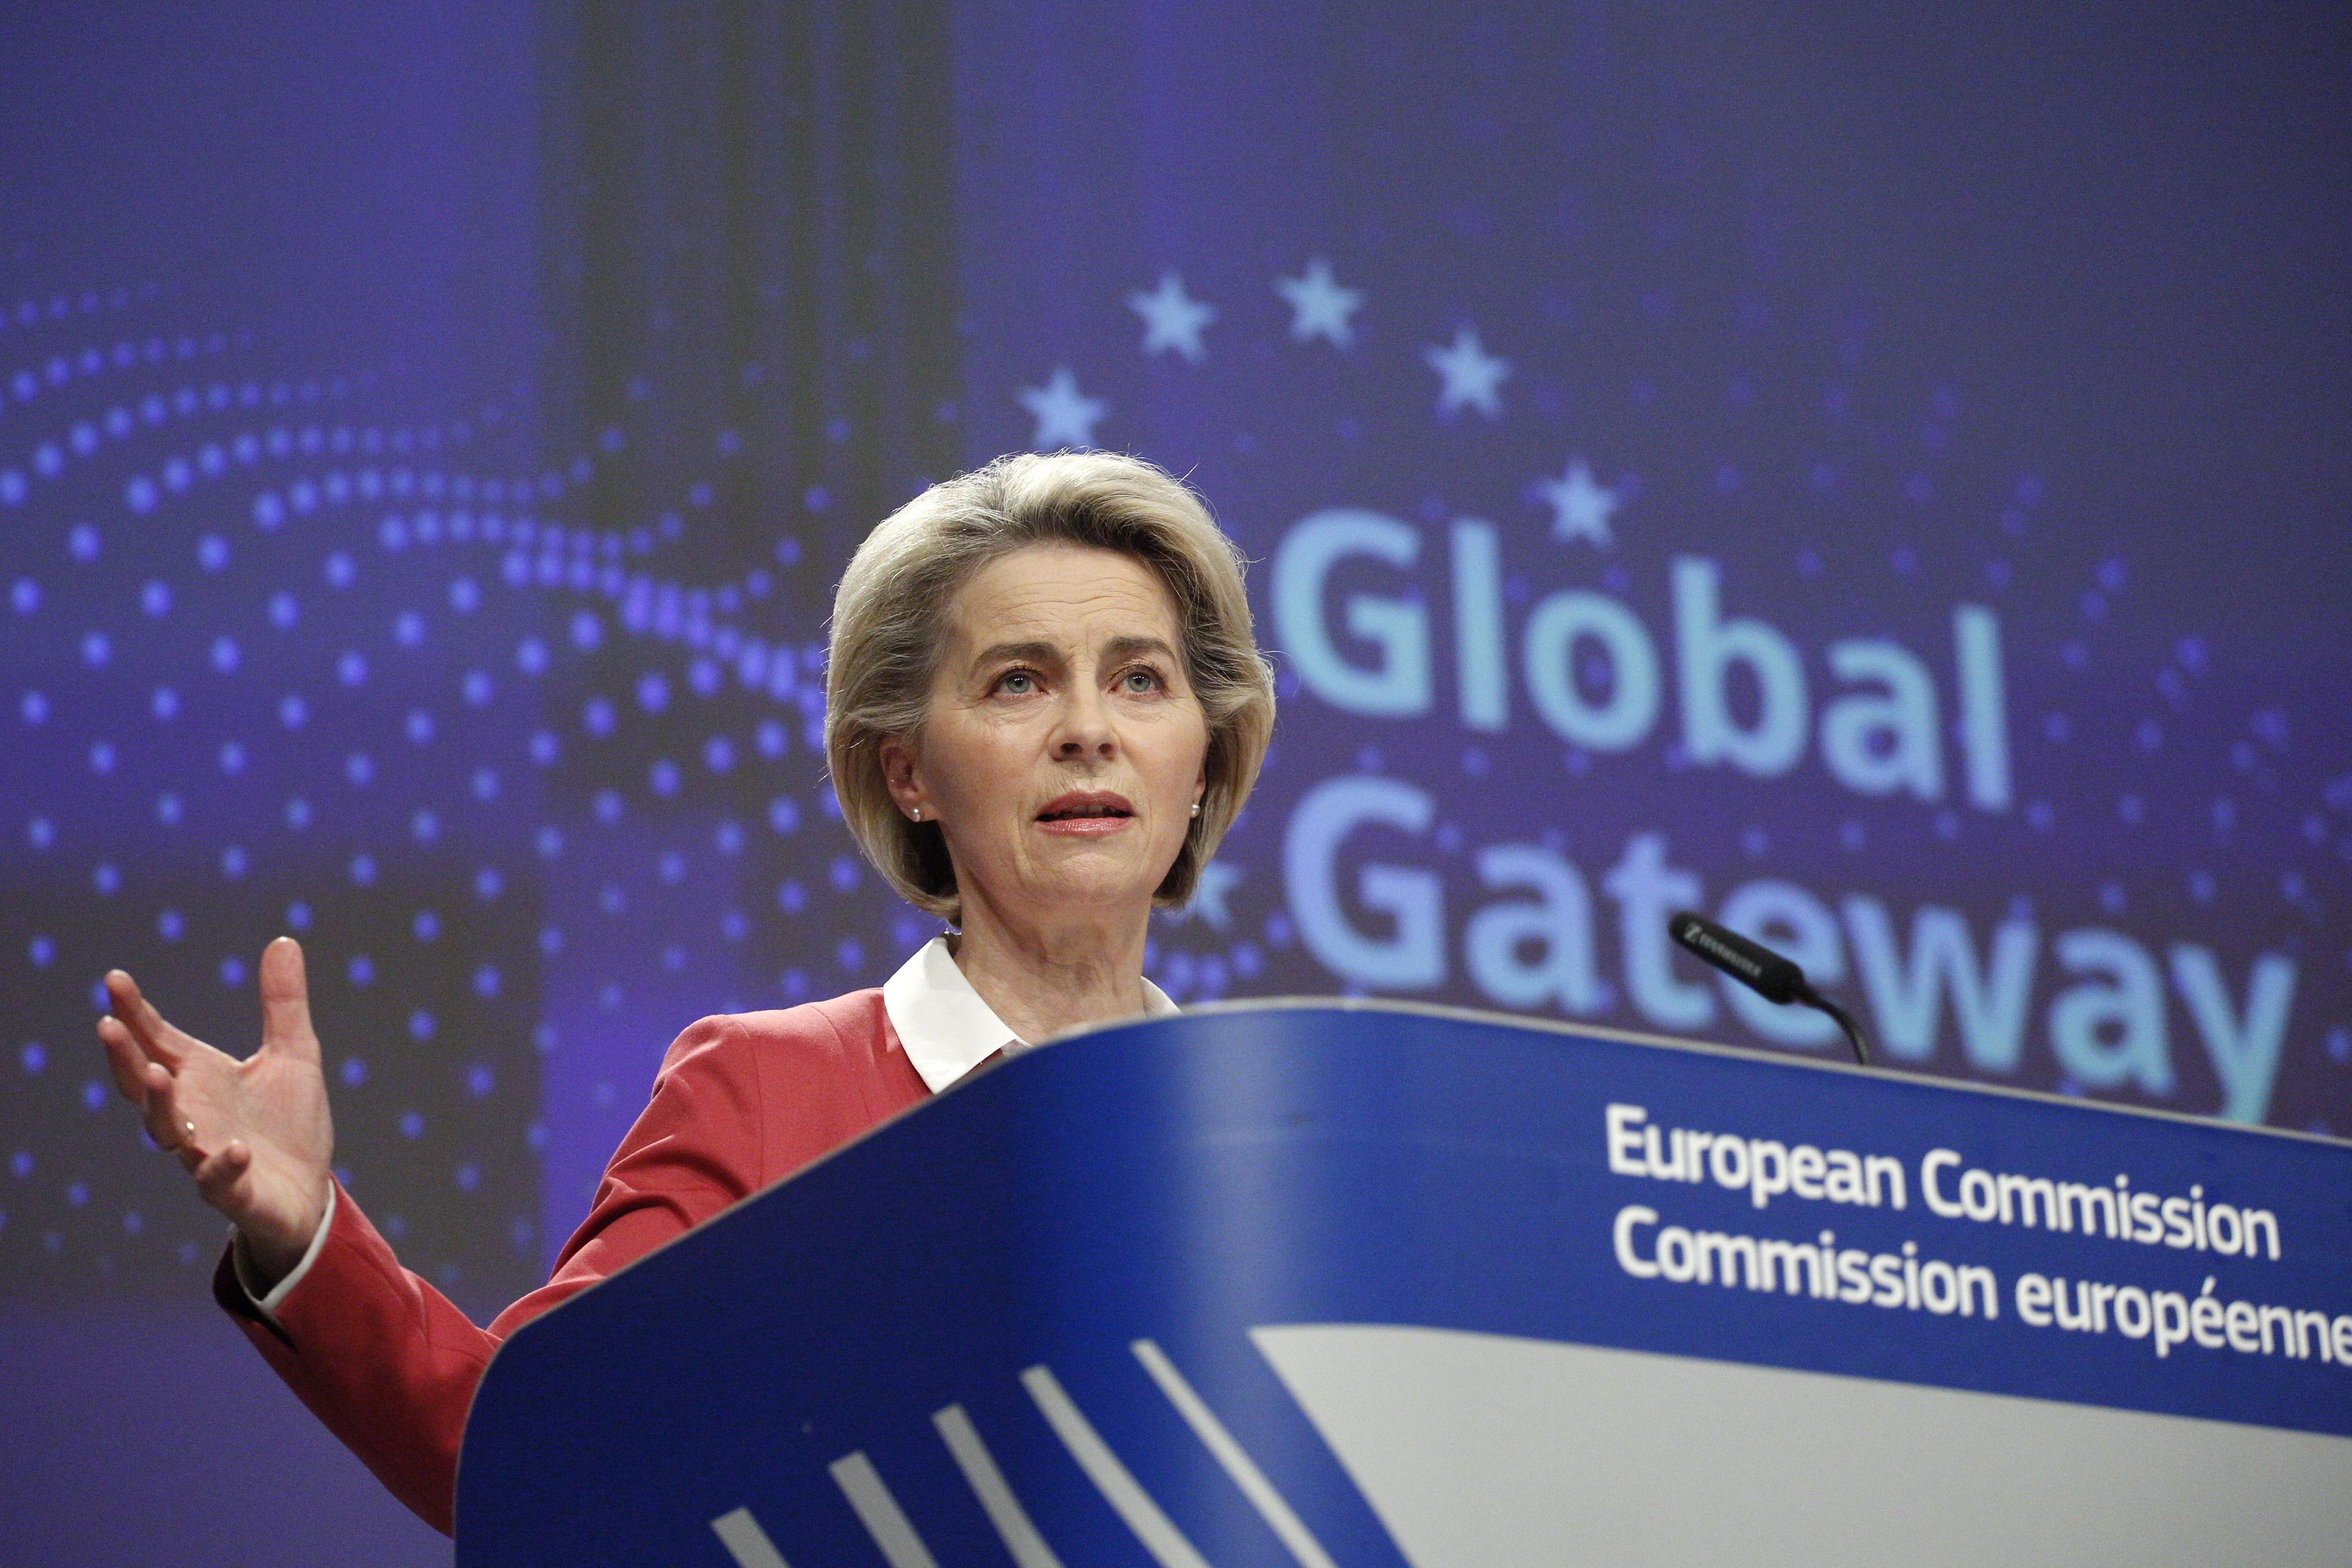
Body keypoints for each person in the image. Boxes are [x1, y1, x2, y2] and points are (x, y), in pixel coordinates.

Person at [94, 450, 1276, 1535]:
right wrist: (309, 1236)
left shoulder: (1279, 1136)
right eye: (1018, 683)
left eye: (1140, 680)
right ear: (908, 770)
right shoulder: (770, 1088)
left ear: (1205, 754)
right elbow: (527, 1449)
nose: (1087, 731)